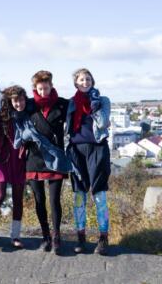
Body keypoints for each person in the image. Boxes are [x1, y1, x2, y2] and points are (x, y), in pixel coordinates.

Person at [24, 70, 70, 255]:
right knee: (39, 200)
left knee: (54, 200)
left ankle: (57, 236)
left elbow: (82, 112)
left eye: (46, 87)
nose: (44, 92)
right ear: (35, 88)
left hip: (55, 157)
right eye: (40, 88)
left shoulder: (62, 104)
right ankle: (45, 236)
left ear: (51, 86)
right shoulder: (28, 105)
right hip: (34, 158)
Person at [66, 68, 111, 255]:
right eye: (82, 79)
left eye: (88, 79)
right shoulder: (70, 103)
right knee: (79, 195)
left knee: (99, 193)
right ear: (76, 83)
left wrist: (94, 106)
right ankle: (81, 237)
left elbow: (102, 123)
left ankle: (103, 238)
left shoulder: (102, 101)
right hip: (76, 150)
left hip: (97, 148)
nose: (86, 82)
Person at [0, 85, 28, 248]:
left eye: (21, 100)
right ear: (10, 101)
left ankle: (15, 235)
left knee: (18, 197)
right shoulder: (1, 116)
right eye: (16, 100)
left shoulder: (28, 115)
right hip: (2, 158)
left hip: (19, 159)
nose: (19, 103)